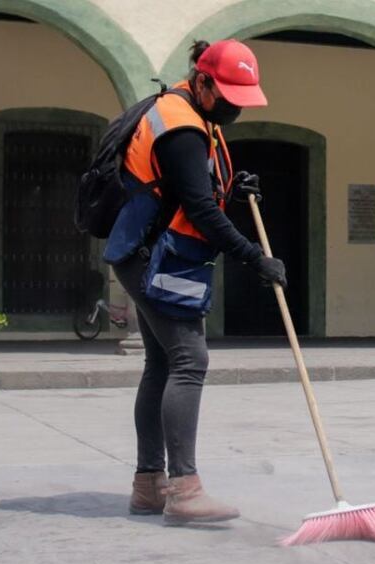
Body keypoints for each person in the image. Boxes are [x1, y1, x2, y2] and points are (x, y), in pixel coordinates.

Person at [102, 39, 286, 525]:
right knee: (190, 359)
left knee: (162, 364)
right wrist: (255, 258)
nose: (233, 108)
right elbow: (200, 211)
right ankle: (183, 491)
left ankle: (149, 487)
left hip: (151, 253)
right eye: (227, 96)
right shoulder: (181, 125)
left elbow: (197, 188)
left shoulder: (192, 111)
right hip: (151, 257)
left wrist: (232, 183)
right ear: (202, 80)